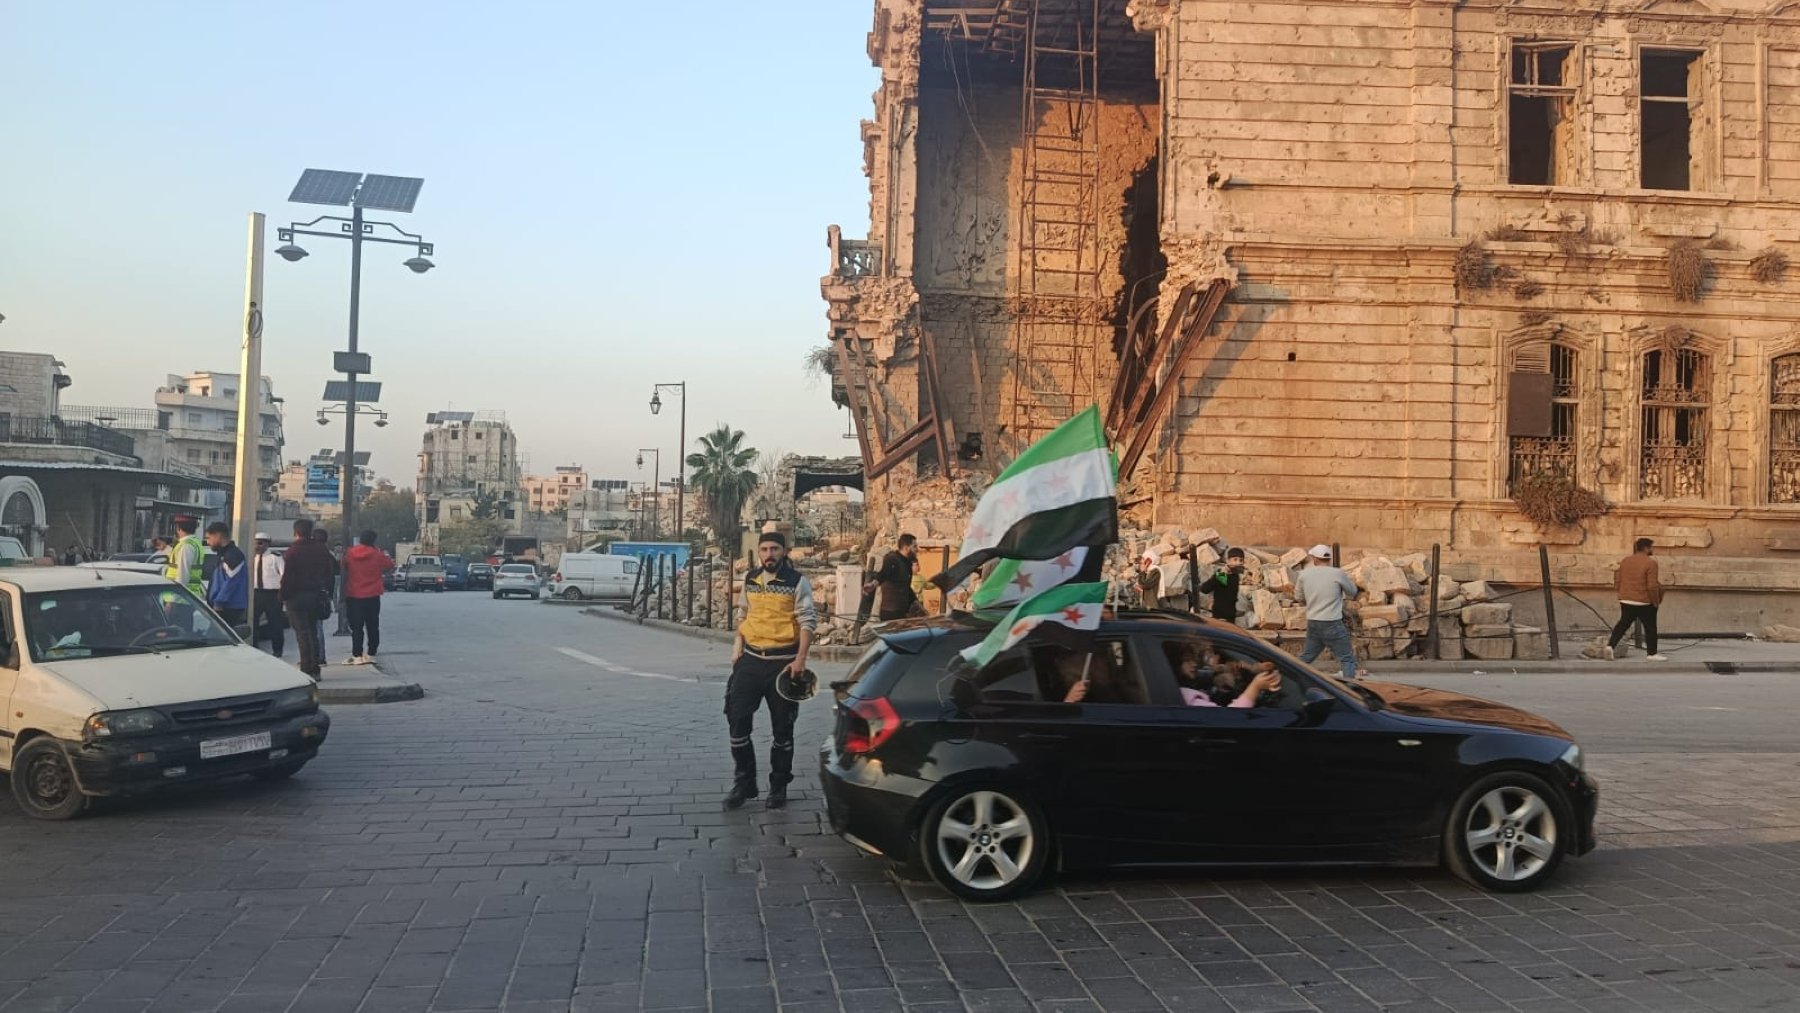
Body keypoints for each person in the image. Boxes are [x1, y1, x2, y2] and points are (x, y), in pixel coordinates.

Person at [723, 531, 816, 811]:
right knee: (737, 720)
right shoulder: (750, 579)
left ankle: (778, 786)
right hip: (750, 660)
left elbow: (807, 622)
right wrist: (737, 645)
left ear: (784, 552)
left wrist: (800, 660)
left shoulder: (797, 582)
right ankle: (744, 782)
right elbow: (743, 614)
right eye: (764, 549)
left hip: (783, 663)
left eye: (774, 549)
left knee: (783, 729)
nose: (769, 555)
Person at [1295, 543, 1359, 680]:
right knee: (1347, 658)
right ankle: (1350, 688)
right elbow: (1352, 592)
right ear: (1329, 559)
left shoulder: (1303, 575)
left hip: (1314, 622)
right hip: (1332, 622)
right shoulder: (1338, 573)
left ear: (1314, 559)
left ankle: (1290, 677)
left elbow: (1299, 597)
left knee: (1307, 656)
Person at [280, 519, 333, 680]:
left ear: (296, 533)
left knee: (302, 634)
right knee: (313, 632)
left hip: (296, 597)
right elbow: (329, 573)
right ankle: (315, 669)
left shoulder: (293, 551)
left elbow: (288, 577)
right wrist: (327, 594)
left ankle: (306, 668)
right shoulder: (321, 550)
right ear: (311, 532)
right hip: (315, 596)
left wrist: (283, 596)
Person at [1606, 538, 1667, 661]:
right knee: (1650, 627)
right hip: (1644, 601)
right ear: (1646, 548)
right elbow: (1652, 586)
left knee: (1622, 624)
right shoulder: (1651, 563)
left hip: (1626, 599)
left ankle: (1610, 646)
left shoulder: (1625, 561)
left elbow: (1617, 579)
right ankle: (1652, 654)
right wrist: (1655, 601)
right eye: (1651, 547)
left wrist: (1622, 593)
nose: (1652, 549)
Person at [342, 530, 395, 666]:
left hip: (354, 594)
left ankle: (357, 655)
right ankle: (371, 653)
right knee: (372, 625)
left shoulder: (350, 553)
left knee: (356, 627)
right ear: (373, 540)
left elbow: (343, 565)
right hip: (372, 594)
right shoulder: (377, 554)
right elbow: (390, 565)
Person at [860, 533, 920, 623]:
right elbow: (883, 573)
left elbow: (905, 586)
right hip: (890, 612)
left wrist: (916, 602)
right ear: (906, 548)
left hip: (901, 611)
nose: (917, 549)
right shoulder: (892, 559)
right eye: (914, 546)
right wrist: (873, 584)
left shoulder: (907, 563)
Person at [202, 522, 248, 626]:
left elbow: (232, 582)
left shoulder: (232, 555)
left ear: (218, 535)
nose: (207, 542)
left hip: (228, 607)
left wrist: (219, 602)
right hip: (223, 606)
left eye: (209, 538)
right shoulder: (224, 554)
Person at [250, 532, 286, 657]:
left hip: (272, 594)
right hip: (256, 593)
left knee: (275, 623)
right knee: (253, 621)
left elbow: (284, 575)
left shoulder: (275, 557)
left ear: (267, 544)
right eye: (255, 543)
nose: (257, 546)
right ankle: (254, 646)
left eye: (260, 543)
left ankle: (277, 649)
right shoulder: (252, 557)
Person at [1199, 548, 1247, 625]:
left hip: (1230, 615)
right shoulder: (1223, 573)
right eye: (1235, 560)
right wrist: (1221, 574)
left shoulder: (1235, 575)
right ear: (1228, 561)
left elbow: (1230, 595)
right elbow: (1205, 589)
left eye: (1241, 560)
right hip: (1220, 615)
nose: (1238, 563)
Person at [312, 528, 338, 666]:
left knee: (311, 628)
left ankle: (315, 656)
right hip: (323, 595)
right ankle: (320, 657)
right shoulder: (329, 556)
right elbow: (335, 574)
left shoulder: (311, 554)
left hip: (312, 593)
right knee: (318, 627)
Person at [163, 518, 206, 599]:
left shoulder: (186, 546)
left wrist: (173, 600)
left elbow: (182, 575)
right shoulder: (195, 542)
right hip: (189, 596)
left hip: (180, 599)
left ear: (179, 529)